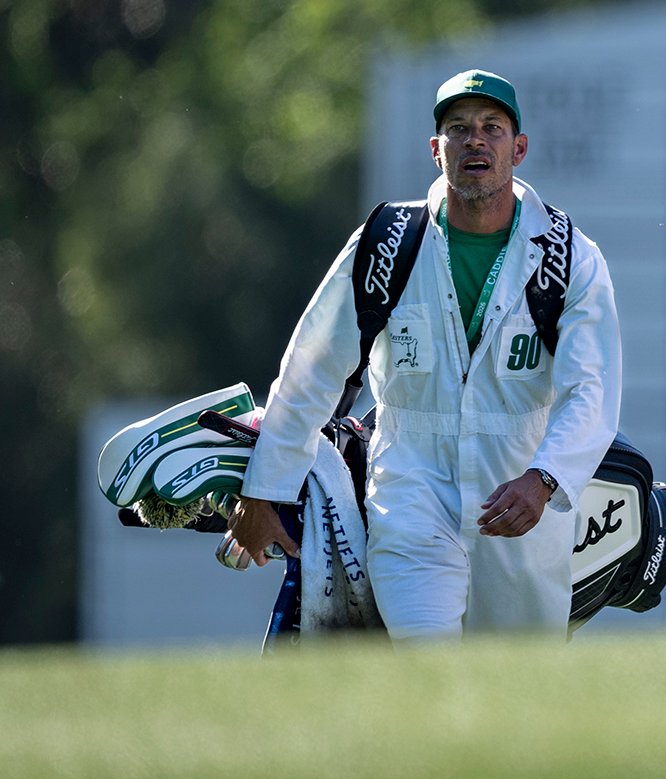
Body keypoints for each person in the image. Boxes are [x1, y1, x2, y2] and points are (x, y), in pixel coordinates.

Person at [226, 69, 623, 640]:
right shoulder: (387, 242)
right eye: (458, 129)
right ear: (437, 150)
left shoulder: (570, 256)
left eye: (492, 127)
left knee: (513, 695)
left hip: (518, 506)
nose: (475, 141)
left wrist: (544, 479)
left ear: (520, 147)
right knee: (424, 665)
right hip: (410, 493)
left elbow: (594, 390)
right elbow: (312, 365)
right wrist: (265, 488)